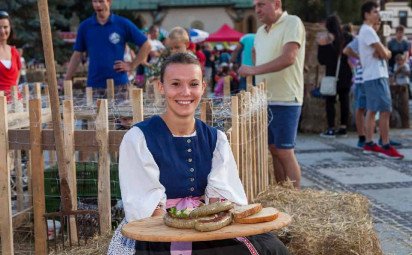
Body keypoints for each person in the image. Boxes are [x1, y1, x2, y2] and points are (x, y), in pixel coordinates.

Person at [107, 53, 289, 255]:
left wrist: (209, 218)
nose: (185, 92)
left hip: (207, 222)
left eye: (193, 84)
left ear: (203, 87)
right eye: (175, 84)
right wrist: (184, 225)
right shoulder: (139, 138)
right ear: (161, 87)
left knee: (273, 248)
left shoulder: (216, 138)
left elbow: (223, 199)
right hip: (156, 229)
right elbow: (148, 210)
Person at [238, 0, 305, 189]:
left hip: (286, 97)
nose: (257, 10)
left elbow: (289, 58)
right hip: (264, 98)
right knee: (274, 150)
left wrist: (254, 69)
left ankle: (295, 196)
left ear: (276, 4)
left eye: (261, 4)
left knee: (285, 150)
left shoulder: (293, 22)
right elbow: (257, 56)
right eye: (255, 6)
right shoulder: (260, 32)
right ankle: (281, 192)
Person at [64, 0, 151, 94]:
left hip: (119, 85)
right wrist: (67, 79)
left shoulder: (122, 24)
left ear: (109, 2)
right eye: (94, 1)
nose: (97, 5)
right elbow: (77, 55)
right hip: (94, 86)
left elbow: (146, 45)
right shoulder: (85, 27)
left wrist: (132, 65)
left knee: (122, 109)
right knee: (93, 109)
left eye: (101, 1)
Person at [358, 1, 403, 159]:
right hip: (376, 75)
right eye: (375, 12)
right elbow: (384, 53)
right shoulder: (368, 31)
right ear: (367, 14)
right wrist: (385, 52)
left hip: (372, 75)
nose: (378, 14)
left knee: (372, 110)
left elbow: (384, 52)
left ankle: (369, 143)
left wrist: (385, 51)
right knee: (385, 110)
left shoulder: (366, 31)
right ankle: (385, 144)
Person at [317, 15, 353, 138]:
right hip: (346, 73)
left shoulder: (325, 39)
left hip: (332, 74)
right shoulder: (347, 38)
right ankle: (343, 127)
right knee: (345, 100)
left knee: (330, 102)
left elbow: (321, 60)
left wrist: (323, 47)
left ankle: (331, 128)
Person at [0, 10, 22, 102]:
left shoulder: (14, 52)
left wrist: (14, 88)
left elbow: (19, 70)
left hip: (16, 102)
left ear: (10, 28)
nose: (2, 31)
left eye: (5, 27)